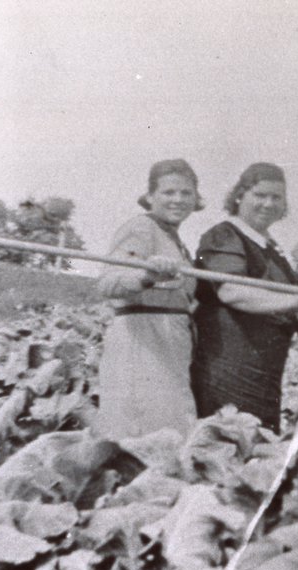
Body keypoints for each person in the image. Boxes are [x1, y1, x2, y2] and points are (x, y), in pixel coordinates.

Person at [190, 162, 298, 432]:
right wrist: (296, 301)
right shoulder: (223, 236)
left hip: (265, 370)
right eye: (260, 195)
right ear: (239, 196)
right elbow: (232, 292)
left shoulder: (270, 246)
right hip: (229, 365)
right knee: (229, 441)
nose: (268, 204)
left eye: (276, 197)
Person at [96, 159, 202, 439]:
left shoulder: (173, 237)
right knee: (143, 434)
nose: (178, 199)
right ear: (151, 196)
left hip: (168, 346)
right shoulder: (141, 228)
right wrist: (147, 276)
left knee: (170, 431)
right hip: (143, 343)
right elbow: (108, 282)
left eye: (186, 193)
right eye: (168, 192)